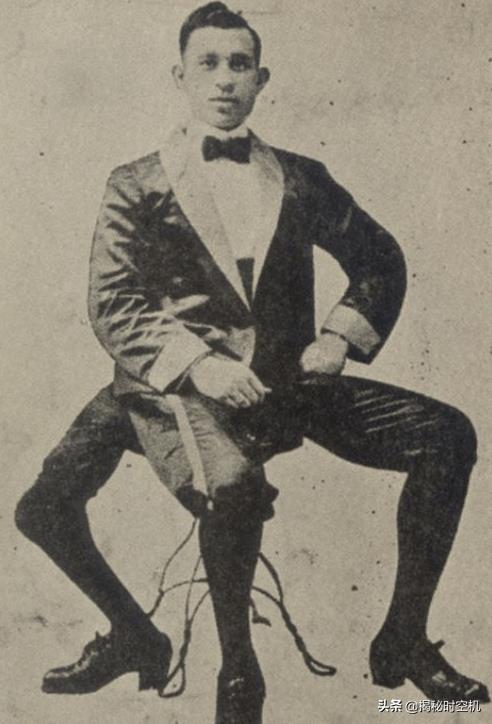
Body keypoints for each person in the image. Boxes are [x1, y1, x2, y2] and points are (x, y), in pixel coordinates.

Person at [15, 3, 489, 722]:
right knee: (45, 507)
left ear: (262, 80)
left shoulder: (300, 178)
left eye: (240, 64)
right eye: (208, 63)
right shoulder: (136, 183)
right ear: (179, 77)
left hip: (281, 384)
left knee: (447, 435)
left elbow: (379, 260)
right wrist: (198, 367)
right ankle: (145, 639)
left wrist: (339, 339)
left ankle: (402, 642)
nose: (225, 79)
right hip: (168, 389)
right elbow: (113, 301)